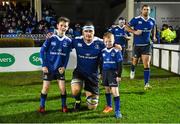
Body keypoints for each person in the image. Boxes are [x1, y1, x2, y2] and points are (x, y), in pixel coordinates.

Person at [38, 17, 72, 113]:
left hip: (59, 69)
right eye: (61, 25)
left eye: (65, 26)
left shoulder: (68, 41)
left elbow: (67, 56)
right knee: (45, 88)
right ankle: (42, 106)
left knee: (62, 88)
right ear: (57, 26)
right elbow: (42, 51)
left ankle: (64, 106)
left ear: (67, 27)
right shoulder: (51, 38)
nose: (63, 27)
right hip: (48, 68)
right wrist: (43, 65)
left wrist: (64, 67)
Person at [71, 22, 105, 111]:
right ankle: (78, 101)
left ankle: (89, 93)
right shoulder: (76, 40)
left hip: (93, 75)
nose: (88, 33)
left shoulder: (101, 42)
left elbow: (110, 45)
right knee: (75, 90)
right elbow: (63, 44)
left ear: (94, 32)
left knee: (92, 107)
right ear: (83, 32)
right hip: (80, 72)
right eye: (86, 31)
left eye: (90, 31)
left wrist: (116, 46)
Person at [125, 4, 157, 90]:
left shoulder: (152, 20)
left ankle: (146, 83)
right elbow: (126, 27)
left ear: (150, 11)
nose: (146, 11)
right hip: (137, 46)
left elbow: (154, 27)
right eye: (145, 9)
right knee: (135, 62)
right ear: (141, 10)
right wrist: (134, 32)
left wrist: (153, 36)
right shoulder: (136, 19)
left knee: (146, 65)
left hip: (147, 45)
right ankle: (132, 70)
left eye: (148, 10)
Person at [101, 32, 123, 118]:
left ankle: (117, 111)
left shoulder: (117, 51)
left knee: (115, 91)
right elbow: (101, 63)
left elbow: (120, 64)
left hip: (113, 73)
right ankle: (109, 106)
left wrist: (119, 75)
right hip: (105, 73)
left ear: (113, 41)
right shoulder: (103, 51)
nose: (108, 43)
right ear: (104, 41)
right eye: (106, 41)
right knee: (107, 90)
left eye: (110, 41)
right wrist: (100, 73)